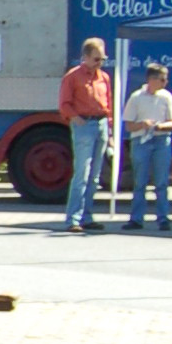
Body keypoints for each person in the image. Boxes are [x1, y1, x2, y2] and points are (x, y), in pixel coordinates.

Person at [58, 37, 115, 231]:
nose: (100, 63)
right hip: (83, 124)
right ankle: (72, 219)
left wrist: (110, 129)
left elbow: (109, 103)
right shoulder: (73, 76)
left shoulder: (104, 77)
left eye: (103, 59)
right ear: (85, 57)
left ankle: (87, 216)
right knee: (82, 173)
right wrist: (76, 118)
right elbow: (64, 103)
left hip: (101, 124)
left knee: (95, 176)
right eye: (96, 59)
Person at [122, 63, 172, 230]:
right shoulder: (136, 97)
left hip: (161, 140)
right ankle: (136, 219)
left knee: (161, 181)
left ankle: (163, 218)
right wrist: (143, 124)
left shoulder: (166, 97)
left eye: (165, 79)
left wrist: (161, 126)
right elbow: (129, 126)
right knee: (140, 182)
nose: (165, 82)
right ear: (151, 79)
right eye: (162, 79)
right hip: (141, 141)